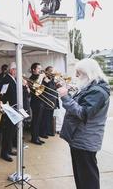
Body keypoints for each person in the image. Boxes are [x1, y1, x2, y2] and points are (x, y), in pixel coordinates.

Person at [57, 58, 110, 189]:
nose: (76, 76)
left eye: (79, 73)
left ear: (89, 73)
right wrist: (70, 93)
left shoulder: (97, 91)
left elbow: (83, 113)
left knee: (87, 178)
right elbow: (81, 104)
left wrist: (65, 96)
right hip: (80, 138)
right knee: (81, 176)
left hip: (85, 140)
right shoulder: (91, 87)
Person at [0, 62, 18, 162]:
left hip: (14, 108)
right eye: (15, 69)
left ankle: (9, 149)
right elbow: (3, 94)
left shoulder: (13, 78)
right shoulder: (6, 79)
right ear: (11, 70)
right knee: (7, 132)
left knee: (12, 131)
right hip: (9, 108)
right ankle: (4, 152)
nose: (16, 71)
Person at [29, 63, 45, 145]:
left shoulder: (39, 77)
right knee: (35, 120)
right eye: (38, 68)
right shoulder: (31, 78)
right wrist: (40, 77)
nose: (40, 70)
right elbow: (35, 87)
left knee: (39, 120)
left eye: (40, 68)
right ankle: (34, 138)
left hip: (41, 101)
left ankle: (37, 136)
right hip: (35, 102)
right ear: (33, 70)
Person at [40, 66, 58, 137]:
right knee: (45, 118)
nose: (52, 72)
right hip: (47, 101)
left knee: (50, 118)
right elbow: (48, 89)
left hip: (52, 100)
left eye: (52, 71)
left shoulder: (52, 79)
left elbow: (53, 88)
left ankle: (48, 131)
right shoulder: (45, 79)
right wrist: (50, 80)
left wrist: (56, 84)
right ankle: (43, 132)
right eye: (50, 71)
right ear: (46, 71)